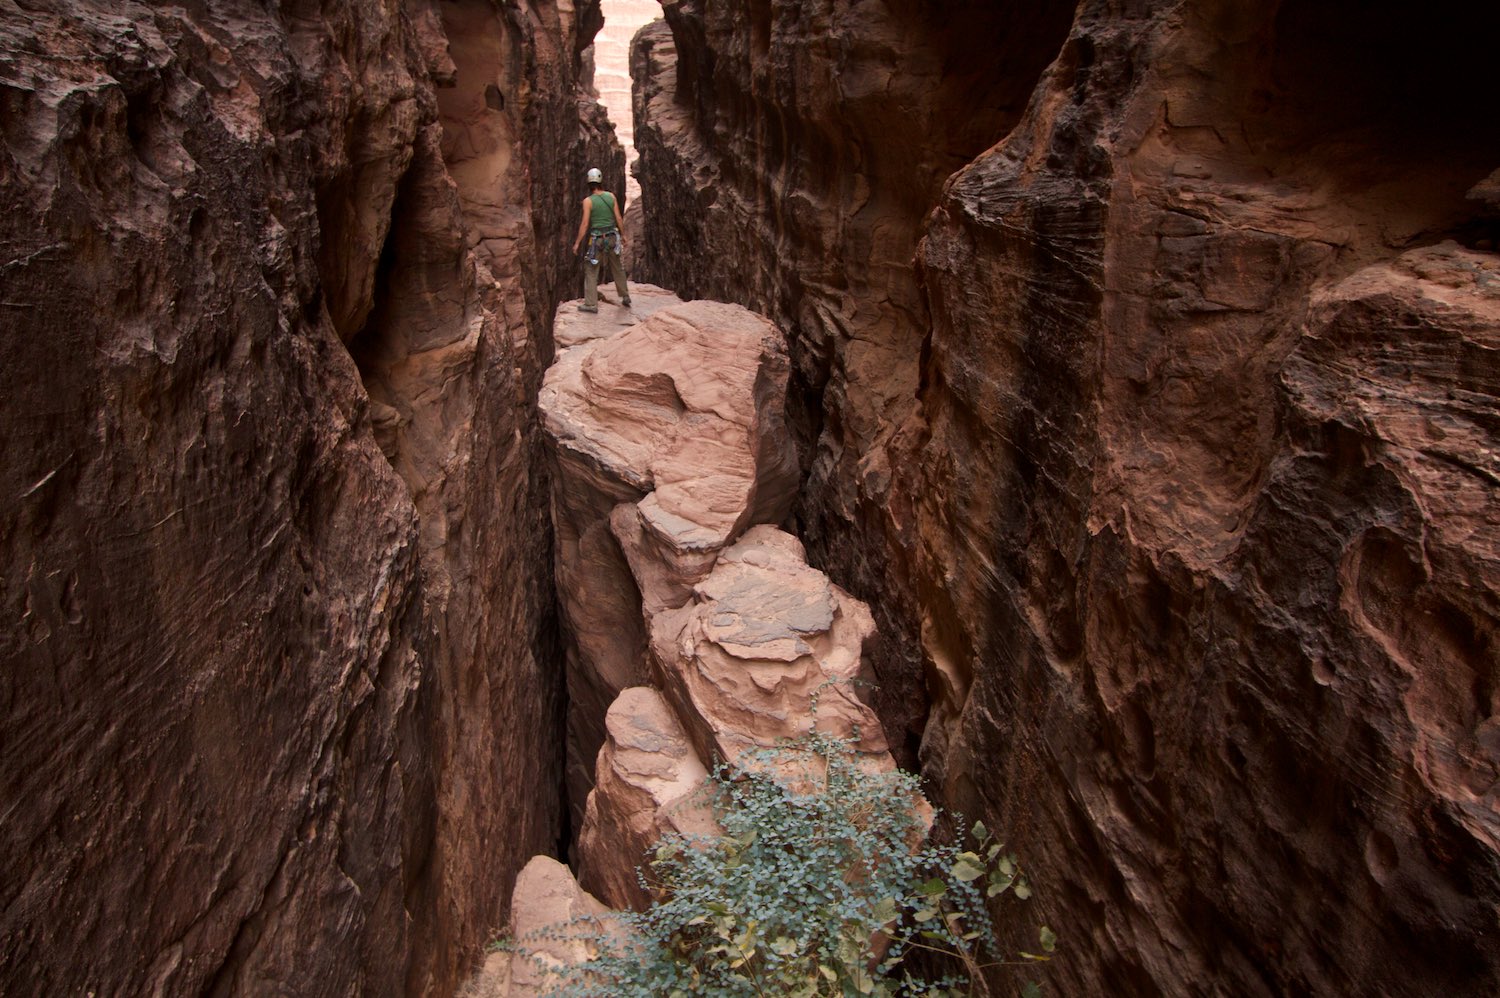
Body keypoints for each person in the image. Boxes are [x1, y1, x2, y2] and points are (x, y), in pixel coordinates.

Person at [571, 167, 630, 313]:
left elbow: (585, 224)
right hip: (612, 237)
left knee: (591, 270)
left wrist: (577, 243)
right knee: (617, 266)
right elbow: (618, 217)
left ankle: (591, 304)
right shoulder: (611, 197)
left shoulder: (588, 201)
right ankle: (625, 296)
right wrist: (623, 235)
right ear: (601, 181)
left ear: (588, 183)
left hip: (596, 240)